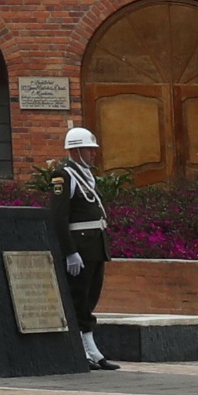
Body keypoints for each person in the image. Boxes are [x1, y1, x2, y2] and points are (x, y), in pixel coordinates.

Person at [49, 124, 119, 371]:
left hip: (95, 245)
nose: (94, 154)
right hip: (80, 246)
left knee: (91, 296)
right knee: (80, 298)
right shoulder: (64, 175)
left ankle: (89, 348)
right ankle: (87, 349)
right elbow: (58, 217)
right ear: (77, 151)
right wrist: (69, 251)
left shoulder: (86, 175)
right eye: (89, 150)